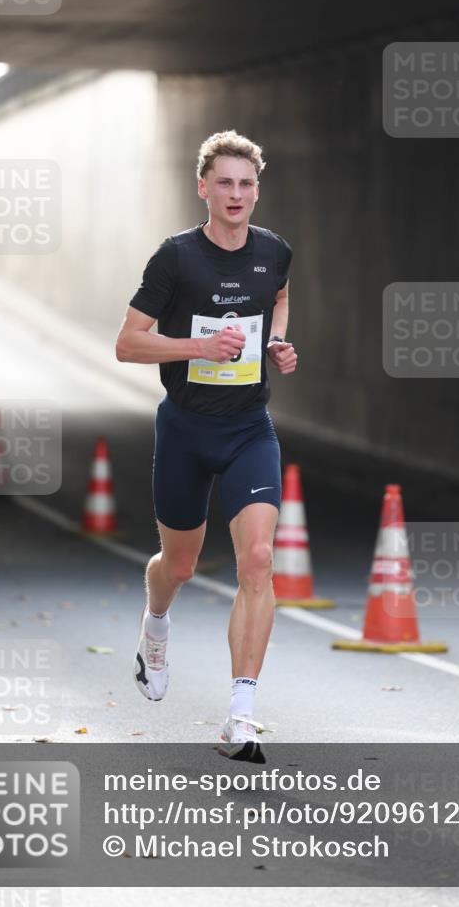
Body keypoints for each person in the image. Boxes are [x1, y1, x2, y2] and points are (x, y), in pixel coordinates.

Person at [115, 129, 297, 762]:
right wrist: (199, 346)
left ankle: (240, 714)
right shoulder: (176, 259)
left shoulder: (274, 251)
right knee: (181, 566)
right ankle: (155, 624)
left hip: (249, 426)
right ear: (204, 188)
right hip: (187, 428)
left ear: (257, 190)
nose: (237, 193)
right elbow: (128, 343)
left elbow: (277, 294)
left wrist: (276, 341)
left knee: (259, 561)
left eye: (247, 183)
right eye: (225, 182)